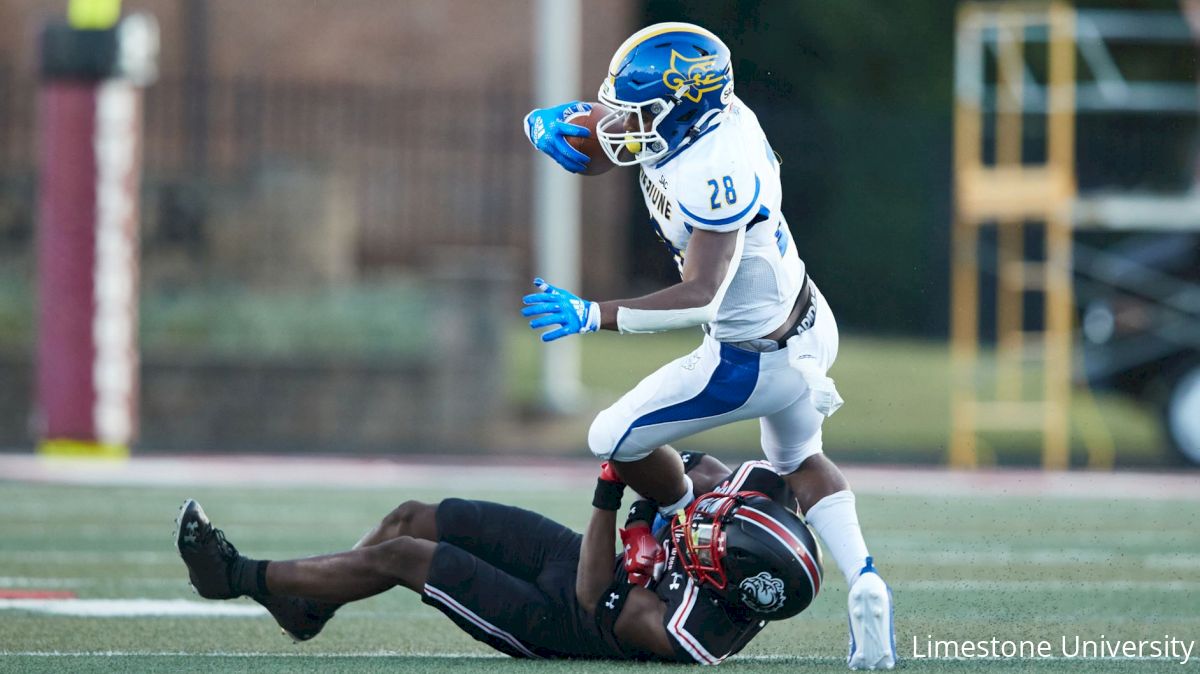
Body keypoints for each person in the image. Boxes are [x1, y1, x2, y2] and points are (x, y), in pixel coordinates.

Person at [521, 22, 894, 670]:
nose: (618, 120)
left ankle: (681, 506)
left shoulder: (715, 169)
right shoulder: (702, 120)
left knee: (611, 436)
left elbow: (700, 295)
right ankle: (865, 578)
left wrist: (593, 314)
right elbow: (639, 138)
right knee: (801, 458)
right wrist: (590, 135)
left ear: (680, 110)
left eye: (633, 111)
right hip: (806, 318)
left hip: (751, 358)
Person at [175, 452, 821, 664]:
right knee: (412, 514)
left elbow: (595, 596)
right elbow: (705, 469)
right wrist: (658, 492)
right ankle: (306, 607)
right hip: (577, 559)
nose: (710, 523)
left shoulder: (688, 630)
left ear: (725, 582)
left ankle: (233, 576)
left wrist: (610, 495)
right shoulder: (759, 519)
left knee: (406, 554)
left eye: (715, 537)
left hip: (563, 617)